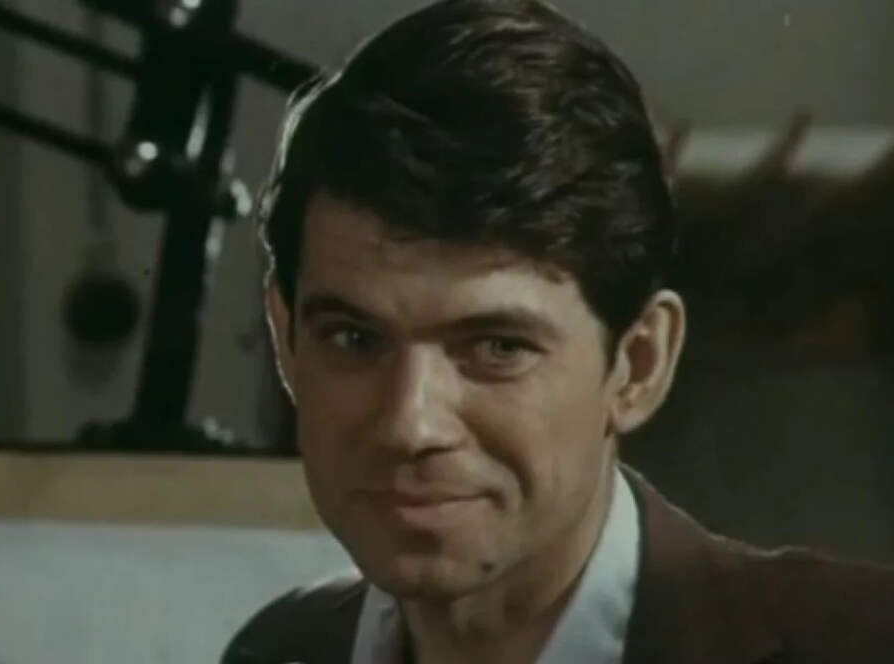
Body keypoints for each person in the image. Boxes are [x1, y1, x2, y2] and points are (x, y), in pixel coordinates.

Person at [222, 1, 894, 662]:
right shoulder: (278, 650)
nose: (410, 424)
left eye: (497, 348)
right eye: (354, 339)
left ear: (639, 365)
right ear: (286, 340)